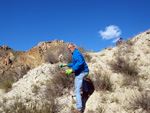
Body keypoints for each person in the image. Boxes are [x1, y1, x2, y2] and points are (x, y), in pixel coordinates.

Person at [60, 43, 89, 113]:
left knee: (77, 90)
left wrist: (72, 70)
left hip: (81, 72)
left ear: (74, 47)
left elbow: (80, 63)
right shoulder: (76, 53)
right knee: (82, 79)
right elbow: (74, 63)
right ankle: (86, 90)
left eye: (70, 48)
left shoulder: (76, 53)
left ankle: (79, 109)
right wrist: (66, 65)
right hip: (85, 72)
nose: (69, 49)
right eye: (68, 48)